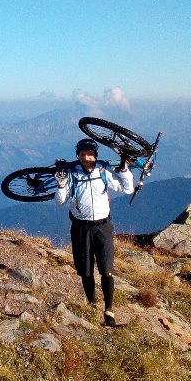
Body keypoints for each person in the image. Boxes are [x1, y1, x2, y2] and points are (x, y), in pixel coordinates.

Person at [54, 138, 134, 326]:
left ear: (95, 155)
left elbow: (127, 188)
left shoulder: (103, 171)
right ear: (78, 156)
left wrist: (124, 171)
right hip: (81, 227)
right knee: (86, 271)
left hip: (102, 226)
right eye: (82, 155)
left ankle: (109, 311)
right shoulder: (72, 174)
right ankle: (91, 305)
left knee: (106, 270)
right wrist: (61, 184)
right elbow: (60, 201)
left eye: (89, 154)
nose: (86, 158)